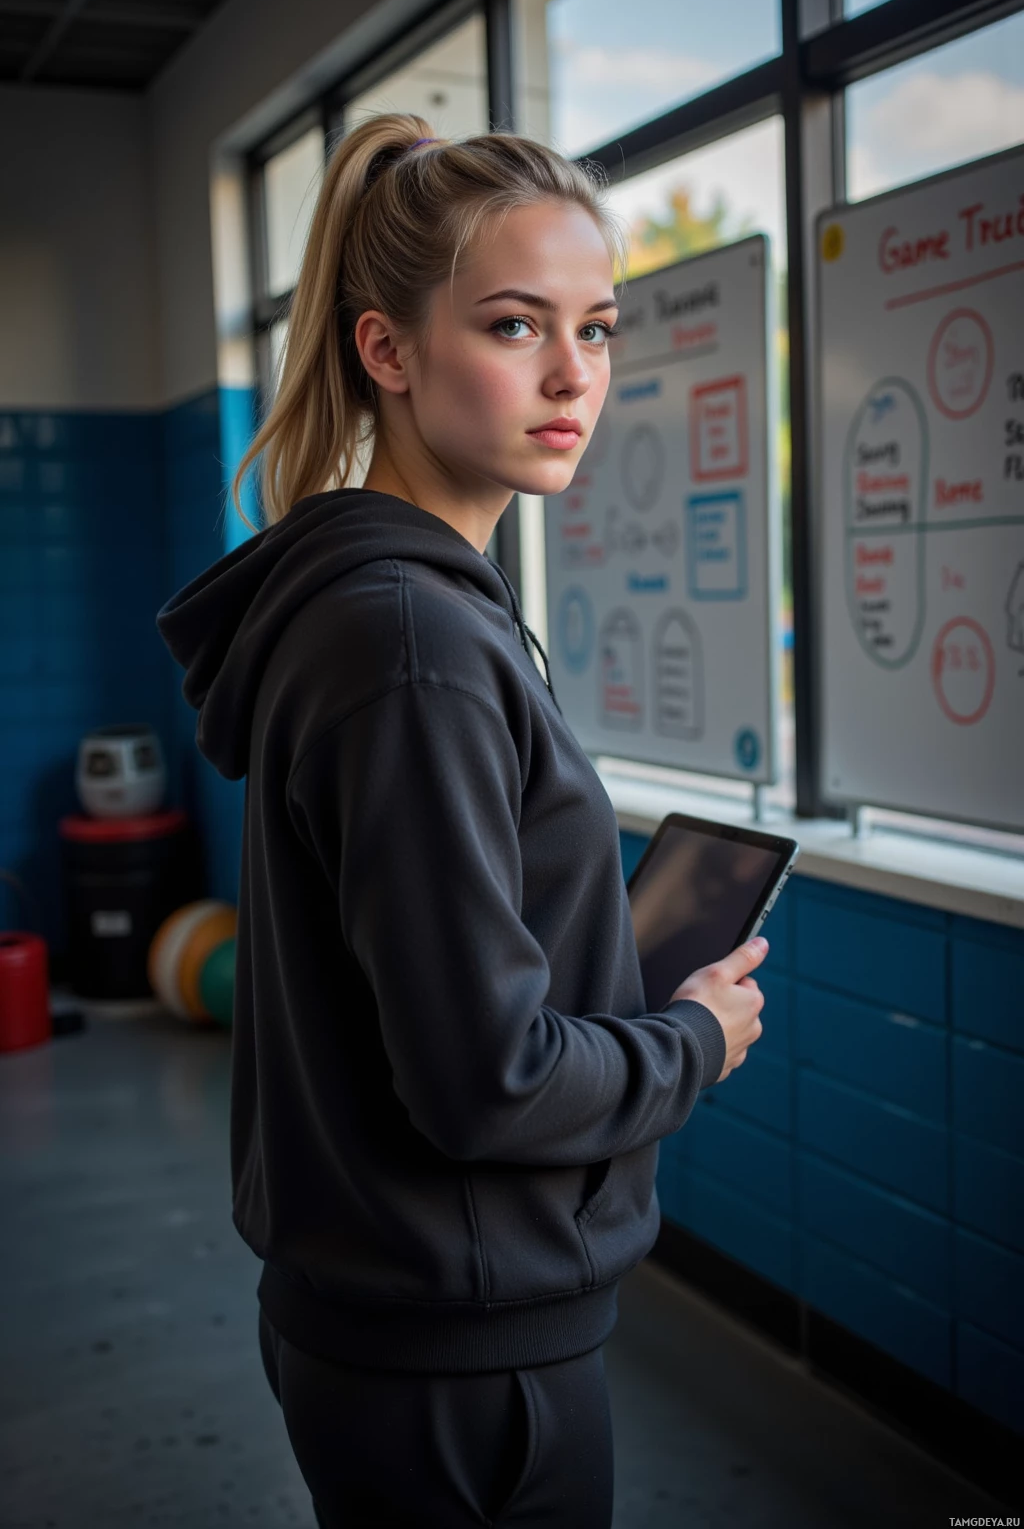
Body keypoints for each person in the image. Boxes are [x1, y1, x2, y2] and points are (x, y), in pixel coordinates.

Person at [156, 111, 767, 1529]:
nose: (573, 377)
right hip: (460, 1359)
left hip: (402, 1319)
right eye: (513, 326)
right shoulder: (411, 643)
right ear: (388, 351)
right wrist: (693, 1041)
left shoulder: (398, 609)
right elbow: (480, 1079)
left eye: (598, 329)